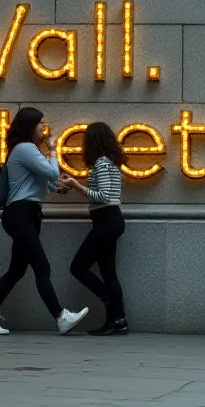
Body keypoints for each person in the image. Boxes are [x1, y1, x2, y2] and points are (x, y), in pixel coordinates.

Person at [0, 107, 89, 335]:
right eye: (40, 124)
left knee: (17, 271)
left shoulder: (26, 150)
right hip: (20, 214)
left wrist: (57, 188)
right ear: (29, 127)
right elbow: (52, 173)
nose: (44, 129)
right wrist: (54, 150)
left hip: (27, 214)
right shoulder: (26, 148)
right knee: (42, 267)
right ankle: (60, 316)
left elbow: (43, 182)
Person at [58, 122, 129, 336]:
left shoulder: (102, 163)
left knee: (78, 267)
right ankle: (118, 321)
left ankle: (109, 302)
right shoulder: (109, 162)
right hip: (108, 221)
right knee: (108, 272)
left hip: (107, 220)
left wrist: (76, 185)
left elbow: (103, 197)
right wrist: (73, 184)